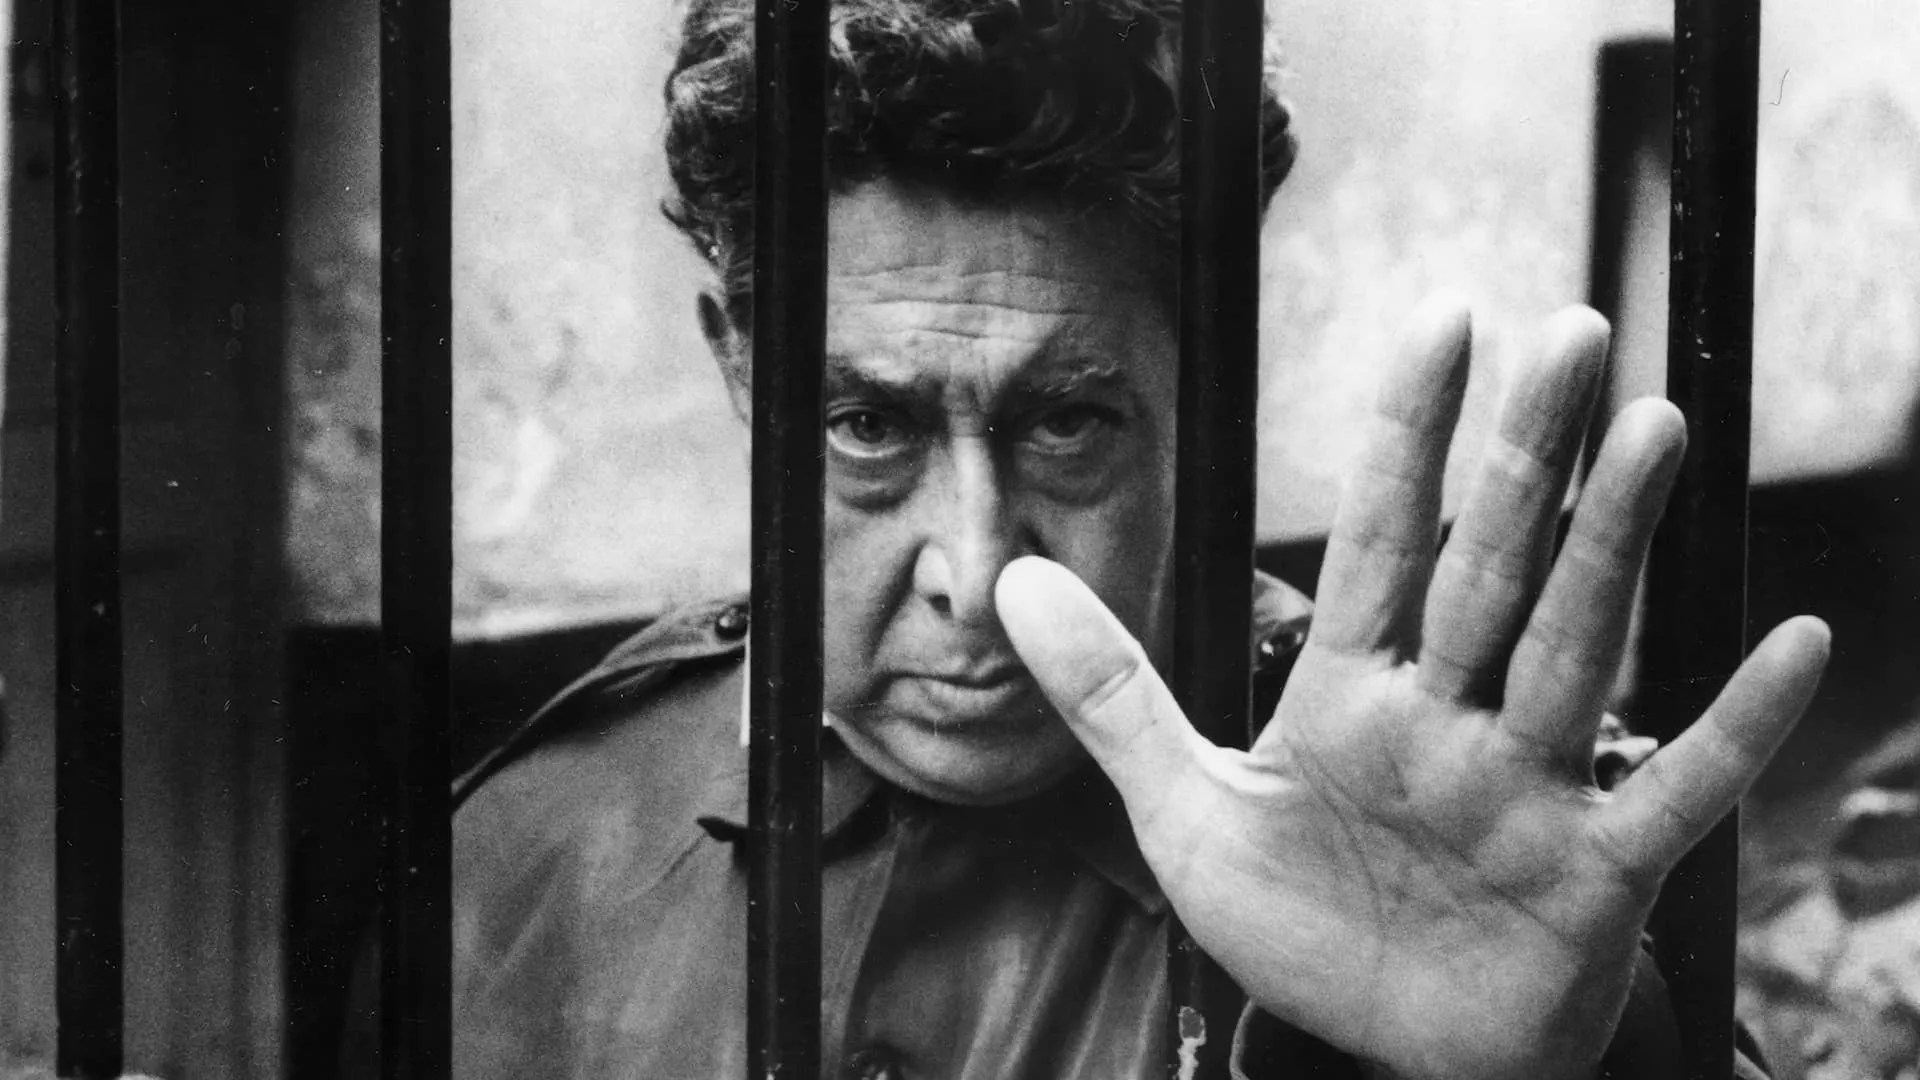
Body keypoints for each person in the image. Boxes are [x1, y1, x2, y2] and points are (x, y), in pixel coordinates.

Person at [386, 0, 1833, 1076]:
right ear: (737, 372)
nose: (976, 579)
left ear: (1206, 379)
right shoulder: (525, 855)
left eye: (1068, 422)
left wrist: (1592, 1066)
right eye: (867, 424)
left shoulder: (1468, 832)